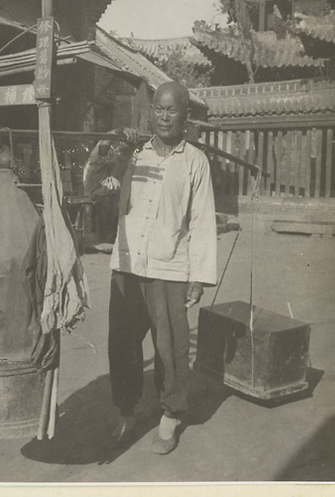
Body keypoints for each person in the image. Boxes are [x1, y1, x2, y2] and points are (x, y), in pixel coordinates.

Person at [84, 81, 217, 455]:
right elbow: (93, 185)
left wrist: (199, 278)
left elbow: (203, 221)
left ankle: (171, 415)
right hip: (128, 263)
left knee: (170, 347)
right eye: (158, 109)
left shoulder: (195, 162)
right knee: (123, 342)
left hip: (170, 267)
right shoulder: (134, 154)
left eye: (171, 110)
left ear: (185, 116)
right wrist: (112, 145)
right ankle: (126, 407)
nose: (163, 116)